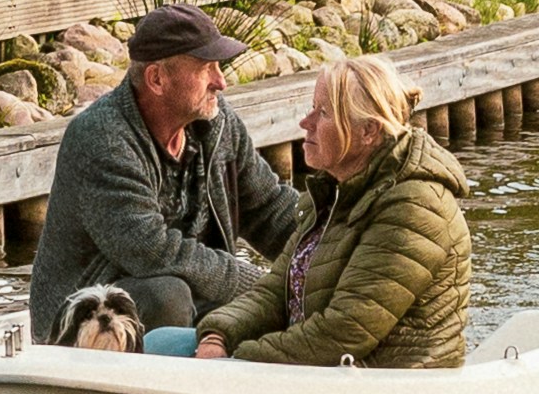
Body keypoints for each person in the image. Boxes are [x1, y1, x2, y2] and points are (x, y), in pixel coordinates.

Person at [27, 1, 307, 343]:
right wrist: (263, 286)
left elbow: (269, 207)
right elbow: (153, 250)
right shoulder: (101, 138)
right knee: (168, 294)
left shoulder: (219, 123)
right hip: (85, 321)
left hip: (190, 292)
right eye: (206, 68)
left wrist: (330, 246)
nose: (220, 81)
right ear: (157, 79)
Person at [198, 55, 471, 369]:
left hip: (386, 386)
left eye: (323, 113)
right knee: (163, 340)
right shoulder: (336, 189)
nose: (306, 122)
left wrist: (239, 359)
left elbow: (346, 330)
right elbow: (275, 291)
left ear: (368, 130)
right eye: (311, 108)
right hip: (326, 372)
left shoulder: (415, 205)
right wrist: (218, 335)